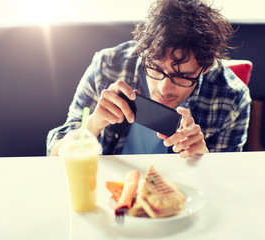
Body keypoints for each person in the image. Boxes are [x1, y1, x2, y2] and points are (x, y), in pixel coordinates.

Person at [47, 0, 251, 158]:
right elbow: (54, 153)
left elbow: (225, 187)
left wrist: (203, 160)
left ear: (205, 69)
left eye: (183, 76)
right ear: (144, 53)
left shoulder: (232, 97)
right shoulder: (108, 66)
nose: (164, 88)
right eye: (155, 68)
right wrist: (92, 124)